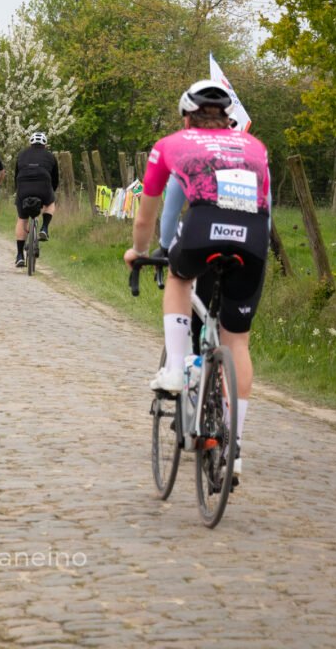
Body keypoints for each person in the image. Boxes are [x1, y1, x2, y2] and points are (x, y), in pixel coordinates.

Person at [124, 80, 271, 478]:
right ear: (227, 118)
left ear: (186, 117)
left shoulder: (171, 144)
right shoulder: (255, 146)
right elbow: (267, 205)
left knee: (178, 277)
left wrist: (138, 251)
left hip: (203, 227)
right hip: (254, 238)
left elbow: (146, 217)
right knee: (237, 341)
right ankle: (234, 447)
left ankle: (175, 368)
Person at [13, 132, 59, 267]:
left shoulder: (22, 154)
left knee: (22, 219)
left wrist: (19, 192)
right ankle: (44, 228)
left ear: (30, 143)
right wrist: (50, 193)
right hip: (43, 185)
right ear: (45, 144)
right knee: (50, 203)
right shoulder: (50, 156)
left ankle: (20, 256)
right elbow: (55, 179)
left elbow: (16, 175)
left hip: (23, 186)